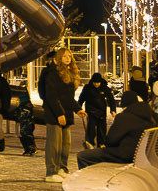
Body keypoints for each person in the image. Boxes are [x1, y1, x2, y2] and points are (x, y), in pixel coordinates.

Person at [76, 91, 157, 169]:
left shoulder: (124, 117)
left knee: (83, 156)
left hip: (125, 156)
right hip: (145, 154)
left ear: (125, 105)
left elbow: (110, 141)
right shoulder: (151, 117)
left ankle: (91, 180)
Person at [42, 47, 83, 183]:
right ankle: (51, 172)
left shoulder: (69, 73)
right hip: (54, 113)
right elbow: (51, 95)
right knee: (54, 144)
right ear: (59, 58)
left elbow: (67, 97)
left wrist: (78, 109)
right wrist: (59, 113)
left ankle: (62, 168)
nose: (67, 58)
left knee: (65, 143)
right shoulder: (52, 73)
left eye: (69, 56)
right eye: (65, 56)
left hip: (67, 113)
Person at [77, 73, 117, 149]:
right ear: (92, 81)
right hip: (91, 110)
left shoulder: (105, 88)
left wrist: (113, 110)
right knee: (91, 127)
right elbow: (81, 98)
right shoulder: (87, 88)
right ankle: (90, 142)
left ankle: (101, 143)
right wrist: (79, 108)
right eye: (95, 83)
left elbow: (111, 100)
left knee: (102, 128)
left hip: (101, 110)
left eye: (98, 83)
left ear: (101, 82)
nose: (96, 84)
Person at [13, 89, 37, 157]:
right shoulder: (22, 107)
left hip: (27, 125)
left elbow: (19, 116)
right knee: (23, 136)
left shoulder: (25, 107)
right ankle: (28, 149)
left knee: (26, 136)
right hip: (24, 125)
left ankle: (30, 149)